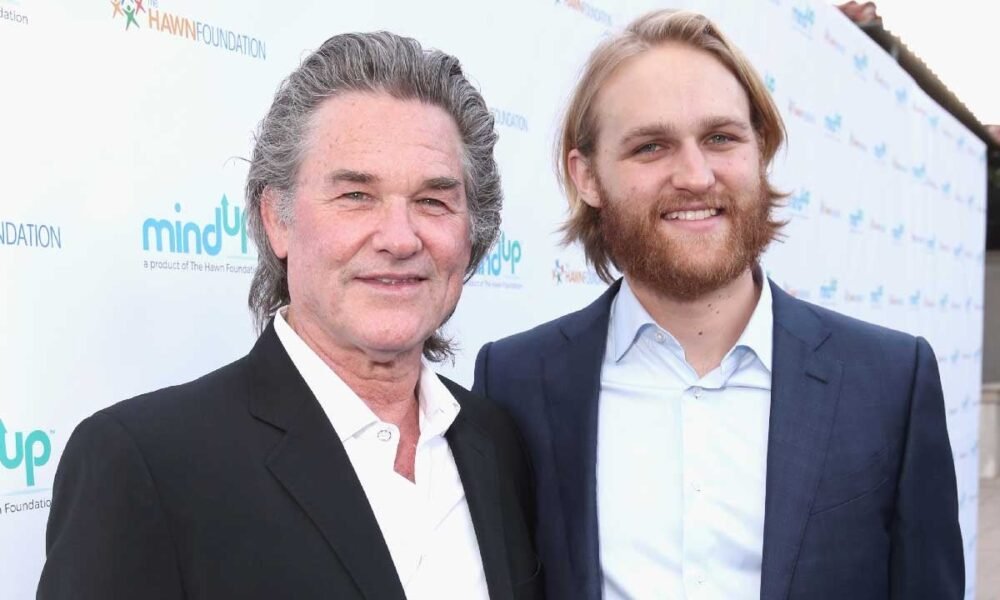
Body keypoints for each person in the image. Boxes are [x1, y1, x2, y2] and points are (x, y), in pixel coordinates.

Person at [473, 9, 963, 600]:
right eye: (651, 146)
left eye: (721, 138)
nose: (696, 175)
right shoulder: (516, 383)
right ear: (588, 177)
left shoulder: (888, 382)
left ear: (761, 151)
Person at [39, 31, 541, 600]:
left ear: (472, 234)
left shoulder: (497, 443)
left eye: (433, 201)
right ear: (277, 219)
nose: (400, 238)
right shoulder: (143, 464)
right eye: (356, 196)